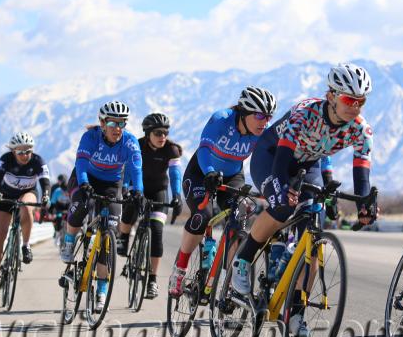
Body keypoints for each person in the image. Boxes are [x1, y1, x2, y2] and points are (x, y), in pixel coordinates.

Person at [230, 63, 377, 337]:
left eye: (361, 101)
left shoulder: (361, 130)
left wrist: (364, 204)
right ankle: (243, 259)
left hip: (307, 164)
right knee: (282, 206)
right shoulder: (305, 113)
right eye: (349, 100)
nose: (355, 107)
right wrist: (282, 188)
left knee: (313, 231)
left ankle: (296, 311)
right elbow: (282, 160)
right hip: (273, 156)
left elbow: (362, 171)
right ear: (332, 96)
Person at [168, 86, 277, 297]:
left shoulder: (262, 133)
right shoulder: (221, 119)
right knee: (203, 216)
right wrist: (209, 172)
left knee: (239, 220)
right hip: (201, 171)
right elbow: (205, 149)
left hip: (233, 175)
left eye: (268, 116)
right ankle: (179, 269)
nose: (264, 121)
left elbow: (271, 160)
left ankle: (229, 284)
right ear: (244, 113)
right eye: (260, 115)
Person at [60, 100, 143, 312]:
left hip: (111, 184)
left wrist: (138, 191)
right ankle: (69, 241)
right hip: (85, 177)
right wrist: (84, 183)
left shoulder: (130, 141)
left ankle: (102, 290)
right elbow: (80, 163)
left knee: (108, 234)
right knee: (81, 204)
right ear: (102, 123)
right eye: (113, 123)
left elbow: (135, 169)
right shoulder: (90, 137)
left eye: (122, 124)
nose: (117, 129)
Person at [118, 113, 183, 299]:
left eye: (165, 132)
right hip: (138, 187)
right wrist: (127, 189)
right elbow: (129, 170)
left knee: (156, 231)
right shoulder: (137, 145)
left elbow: (175, 174)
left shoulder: (171, 150)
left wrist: (177, 195)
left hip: (159, 191)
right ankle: (123, 236)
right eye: (158, 133)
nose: (162, 136)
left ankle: (152, 280)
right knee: (130, 208)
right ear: (148, 134)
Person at [0, 131, 51, 295]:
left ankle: (25, 245)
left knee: (25, 204)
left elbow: (45, 181)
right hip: (5, 195)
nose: (24, 155)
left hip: (27, 192)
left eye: (28, 151)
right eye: (20, 152)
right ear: (13, 151)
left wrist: (45, 196)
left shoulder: (37, 161)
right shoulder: (6, 159)